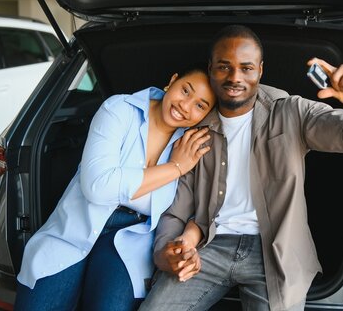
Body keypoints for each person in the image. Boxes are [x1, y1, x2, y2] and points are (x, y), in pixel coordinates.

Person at [138, 25, 343, 311]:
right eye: (224, 67)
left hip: (273, 252)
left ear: (261, 70)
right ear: (211, 68)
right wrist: (168, 251)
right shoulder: (197, 126)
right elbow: (176, 208)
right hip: (209, 246)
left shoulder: (290, 111)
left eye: (246, 68)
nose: (235, 78)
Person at [14, 67, 216, 311]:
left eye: (200, 106)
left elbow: (199, 205)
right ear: (172, 81)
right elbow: (98, 187)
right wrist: (175, 167)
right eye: (185, 90)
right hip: (77, 224)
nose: (186, 106)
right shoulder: (119, 109)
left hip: (132, 238)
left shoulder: (191, 144)